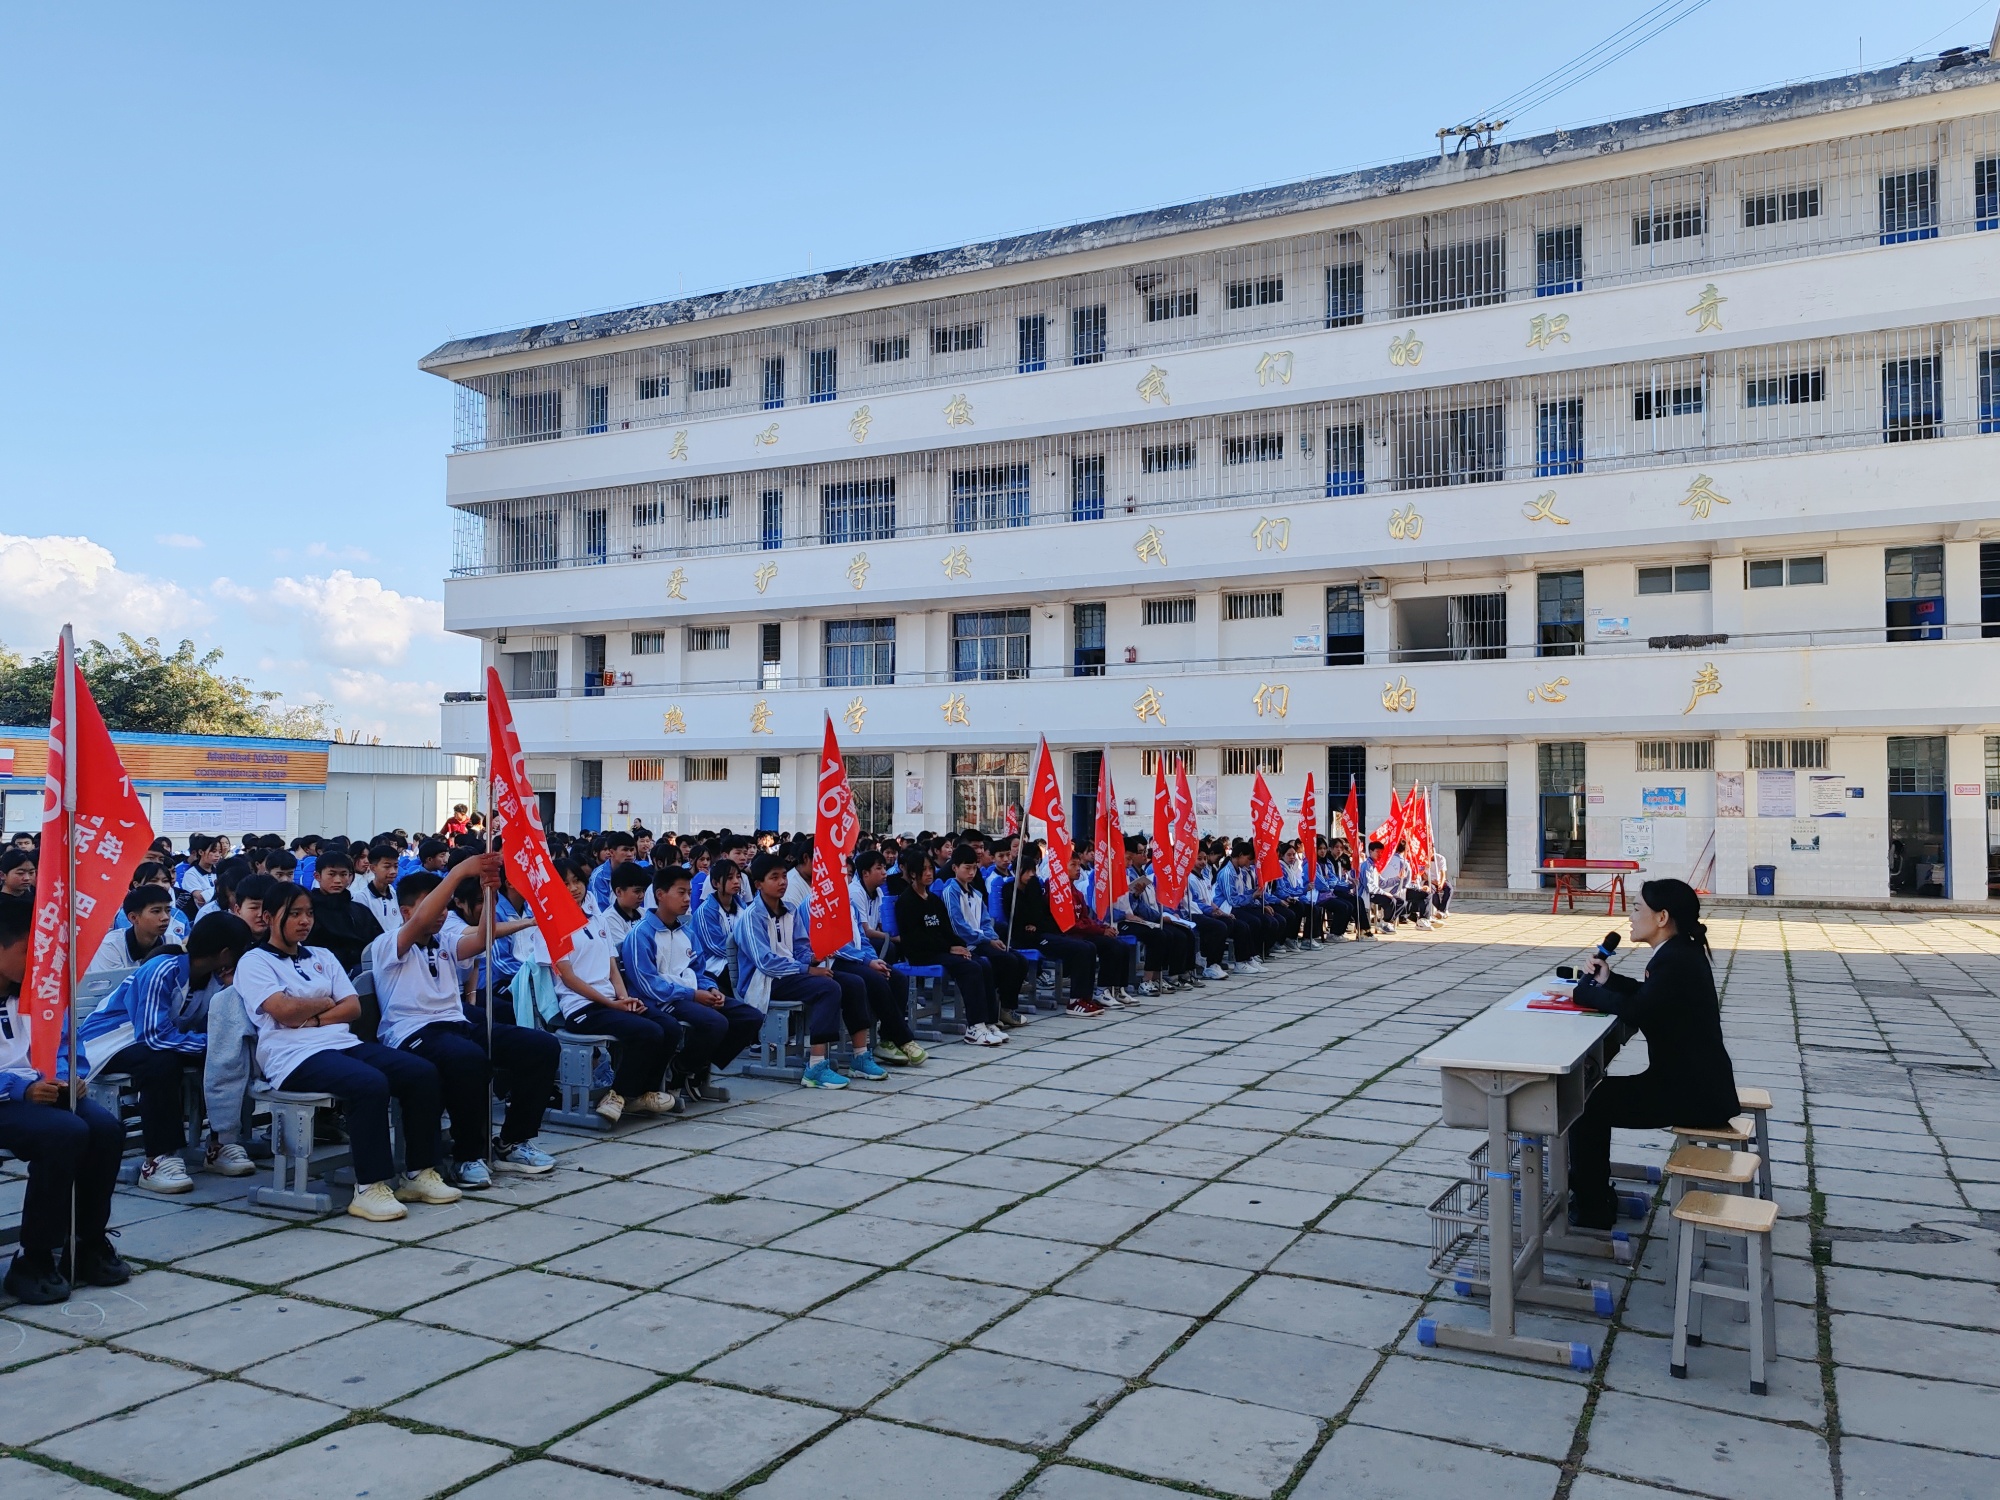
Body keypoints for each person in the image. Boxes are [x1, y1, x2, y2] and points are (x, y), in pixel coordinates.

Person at [233, 881, 462, 1222]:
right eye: (294, 914)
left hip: (341, 1043)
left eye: (309, 913)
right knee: (368, 1083)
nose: (304, 921)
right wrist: (324, 1003)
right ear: (268, 917)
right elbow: (281, 1010)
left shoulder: (321, 956)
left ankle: (418, 1172)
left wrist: (310, 1015)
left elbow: (352, 1007)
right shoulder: (254, 962)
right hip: (290, 1056)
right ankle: (369, 1186)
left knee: (420, 1073)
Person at [370, 859, 559, 1186]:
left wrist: (490, 892)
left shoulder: (444, 941)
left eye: (445, 906)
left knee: (540, 1047)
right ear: (405, 912)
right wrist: (459, 872)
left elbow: (483, 938)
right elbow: (424, 918)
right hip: (412, 1032)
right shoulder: (390, 944)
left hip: (454, 1022)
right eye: (435, 905)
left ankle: (513, 1140)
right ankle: (467, 1156)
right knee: (468, 1060)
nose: (442, 913)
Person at [1565, 879, 1740, 1230]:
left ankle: (1593, 1207)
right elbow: (1648, 997)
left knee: (1585, 1106)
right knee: (1592, 1097)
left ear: (1661, 917)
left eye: (1636, 909)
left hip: (1693, 1094)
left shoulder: (1675, 959)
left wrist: (1586, 995)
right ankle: (1588, 1191)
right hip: (1693, 1083)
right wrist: (1607, 981)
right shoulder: (1678, 953)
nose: (1630, 917)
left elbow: (1637, 1011)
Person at [0, 897, 133, 1304]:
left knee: (106, 1129)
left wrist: (67, 1074)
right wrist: (18, 1088)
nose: (37, 965)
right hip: (9, 1097)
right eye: (28, 952)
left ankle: (88, 1240)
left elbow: (64, 1044)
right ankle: (34, 1255)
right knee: (65, 1133)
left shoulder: (38, 994)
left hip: (39, 1089)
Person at [79, 913, 257, 1193]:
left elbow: (216, 1028)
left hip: (162, 1040)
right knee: (162, 1062)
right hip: (111, 1041)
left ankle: (220, 1141)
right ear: (225, 953)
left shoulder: (215, 979)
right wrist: (211, 1044)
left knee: (231, 1052)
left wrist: (218, 1042)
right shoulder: (163, 969)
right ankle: (158, 1159)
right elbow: (152, 1035)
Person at [540, 862, 682, 1126]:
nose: (573, 888)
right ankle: (618, 1095)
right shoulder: (551, 923)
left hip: (610, 1002)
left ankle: (641, 1092)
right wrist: (612, 1003)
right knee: (647, 1032)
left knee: (670, 1027)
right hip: (582, 1008)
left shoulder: (596, 917)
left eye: (577, 881)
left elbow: (611, 964)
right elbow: (568, 977)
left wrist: (623, 998)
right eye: (565, 883)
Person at [734, 852, 881, 1088]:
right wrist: (807, 970)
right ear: (758, 884)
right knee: (827, 988)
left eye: (784, 876)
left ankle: (860, 1056)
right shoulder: (751, 917)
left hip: (792, 974)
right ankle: (815, 1065)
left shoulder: (789, 910)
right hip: (765, 981)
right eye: (774, 877)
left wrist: (814, 958)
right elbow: (766, 962)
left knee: (854, 983)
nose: (782, 882)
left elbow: (801, 947)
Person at [618, 863, 762, 1100]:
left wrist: (710, 988)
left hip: (691, 993)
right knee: (715, 1023)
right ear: (661, 895)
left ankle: (696, 1066)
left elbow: (699, 970)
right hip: (661, 1000)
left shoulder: (687, 930)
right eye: (681, 892)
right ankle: (682, 1069)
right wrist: (692, 995)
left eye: (688, 892)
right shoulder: (641, 934)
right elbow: (648, 984)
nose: (687, 899)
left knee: (750, 1017)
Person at [896, 848, 1003, 1045]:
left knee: (982, 963)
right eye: (924, 870)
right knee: (969, 968)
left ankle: (988, 1021)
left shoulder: (934, 900)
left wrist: (960, 946)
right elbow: (916, 938)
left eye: (930, 869)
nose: (929, 873)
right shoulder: (906, 902)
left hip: (941, 950)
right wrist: (949, 949)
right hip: (922, 953)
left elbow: (946, 931)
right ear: (913, 874)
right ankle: (974, 1026)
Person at [1003, 841, 1103, 1016]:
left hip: (1043, 931)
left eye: (1034, 871)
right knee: (1079, 949)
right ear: (1018, 872)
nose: (1032, 875)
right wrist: (1033, 919)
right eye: (1027, 872)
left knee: (1089, 947)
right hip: (1027, 937)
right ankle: (1075, 1001)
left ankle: (1084, 997)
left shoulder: (1034, 888)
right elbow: (1020, 918)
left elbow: (1040, 916)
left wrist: (1034, 895)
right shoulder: (1008, 890)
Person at [946, 844, 1030, 1027]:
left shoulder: (975, 893)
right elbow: (958, 926)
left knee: (1020, 960)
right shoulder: (950, 892)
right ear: (955, 868)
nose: (971, 872)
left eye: (974, 868)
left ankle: (1005, 1008)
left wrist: (993, 938)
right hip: (967, 943)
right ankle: (994, 1009)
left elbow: (985, 921)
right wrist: (986, 940)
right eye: (966, 868)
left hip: (982, 940)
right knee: (1006, 961)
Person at [78, 883, 177, 1012]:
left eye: (168, 910)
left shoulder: (172, 940)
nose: (165, 918)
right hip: (111, 1014)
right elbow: (113, 995)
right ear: (133, 918)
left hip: (155, 1009)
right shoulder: (110, 946)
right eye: (156, 911)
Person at [307, 853, 383, 973]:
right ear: (317, 876)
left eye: (343, 874)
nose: (338, 880)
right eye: (331, 874)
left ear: (350, 877)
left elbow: (378, 942)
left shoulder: (359, 910)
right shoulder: (308, 911)